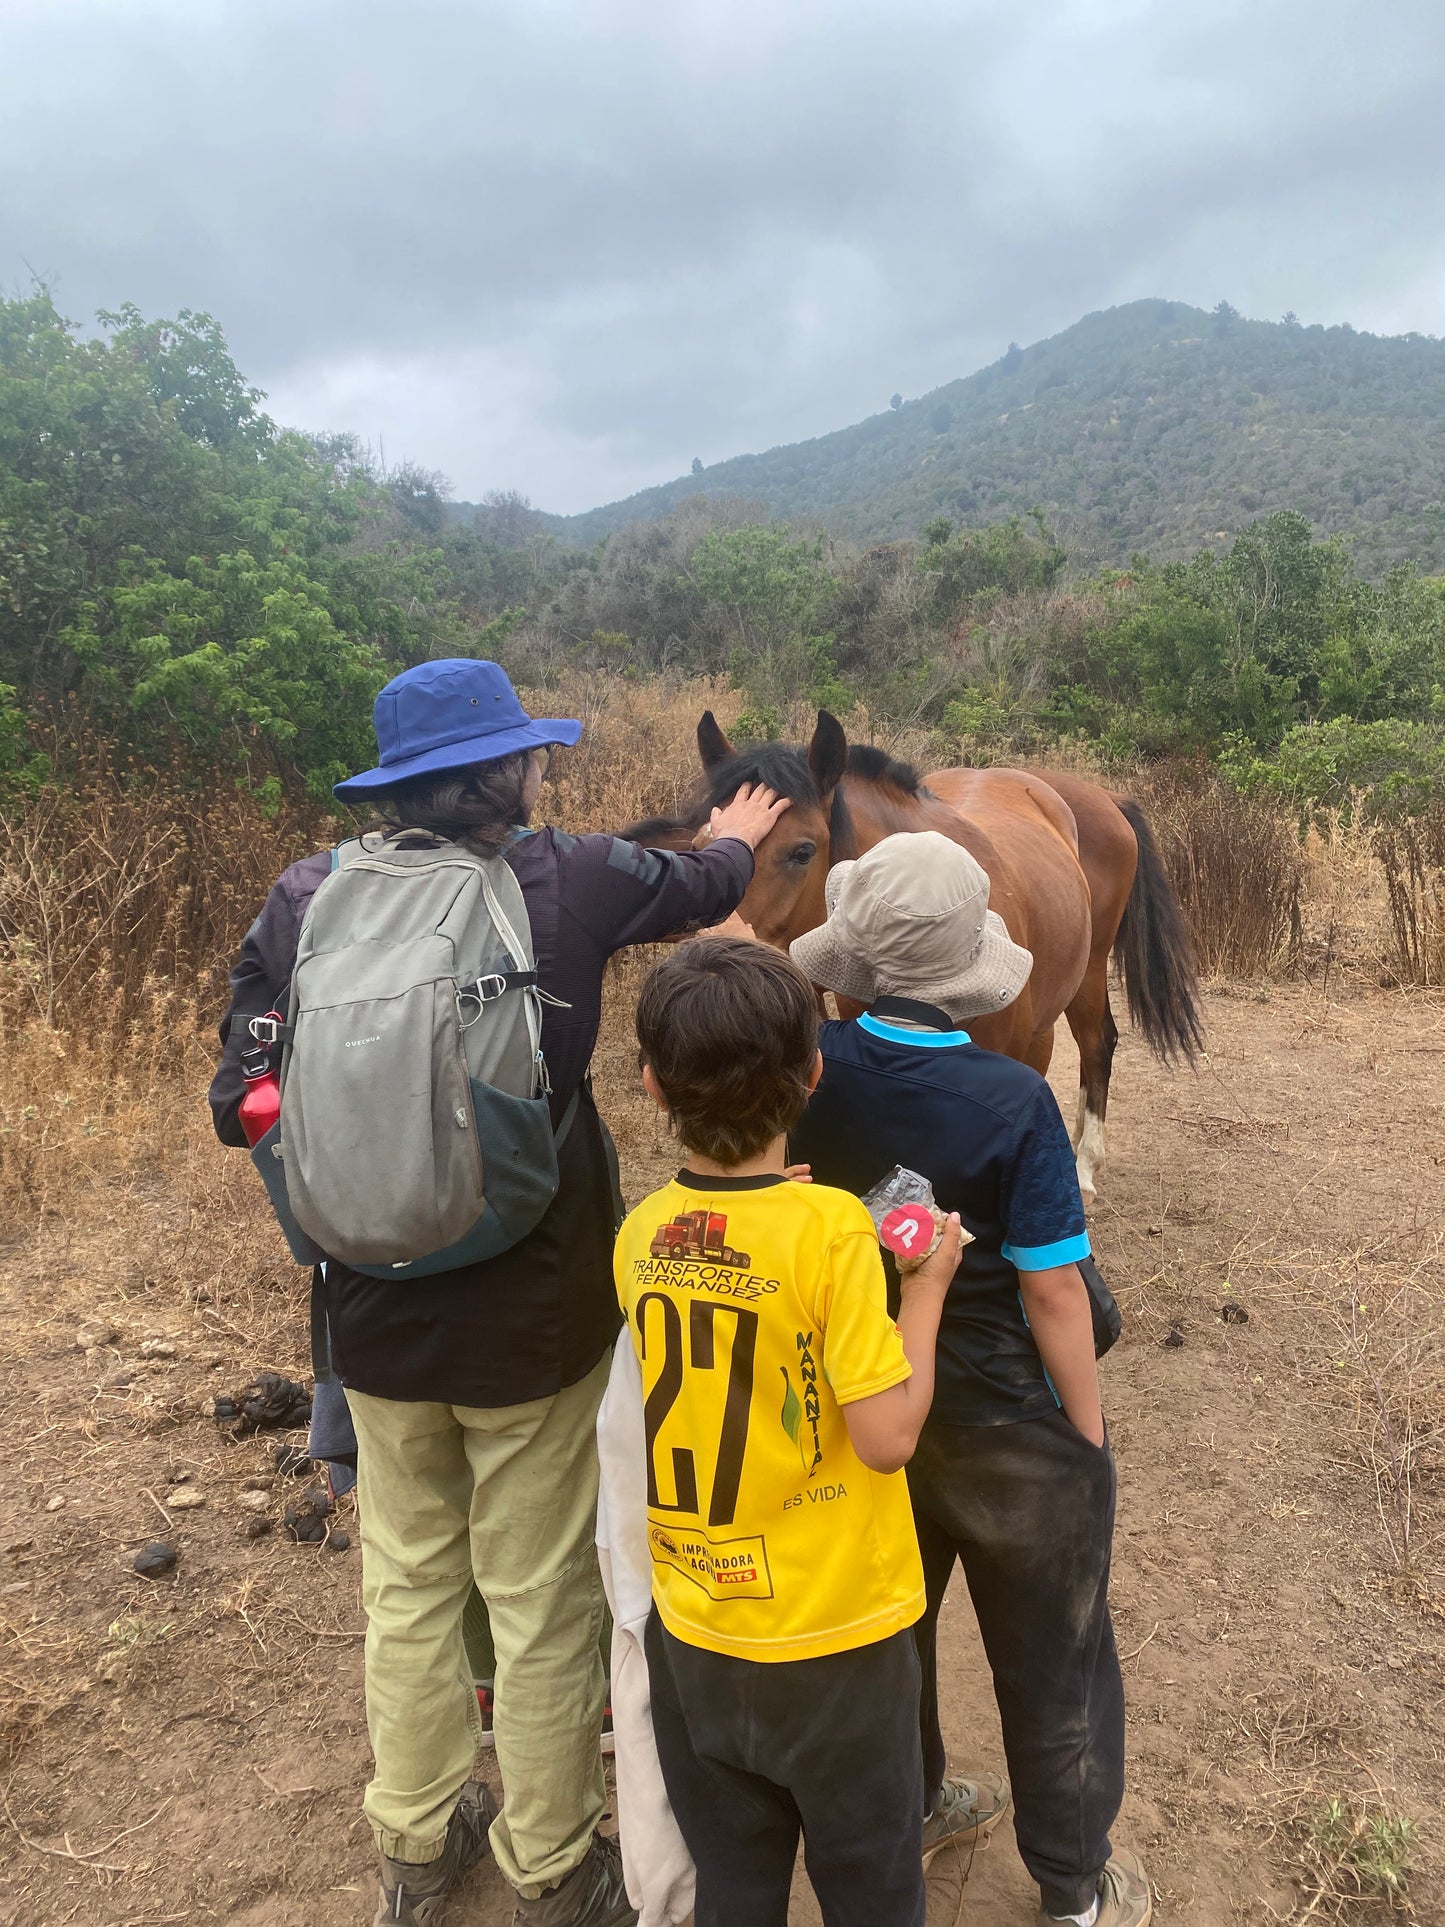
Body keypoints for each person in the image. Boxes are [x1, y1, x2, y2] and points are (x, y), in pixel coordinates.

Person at [208, 659, 790, 1927]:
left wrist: (350, 1176)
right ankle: (551, 1864)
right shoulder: (563, 878)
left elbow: (239, 1102)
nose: (543, 770)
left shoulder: (304, 897)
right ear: (500, 774)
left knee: (407, 1581)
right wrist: (737, 837)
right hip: (539, 1310)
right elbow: (703, 883)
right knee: (536, 1592)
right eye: (529, 755)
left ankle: (415, 1850)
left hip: (366, 1310)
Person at [787, 830, 1151, 1927]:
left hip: (868, 1403)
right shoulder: (1010, 1100)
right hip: (1003, 1415)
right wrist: (1082, 1438)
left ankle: (923, 1802)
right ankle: (1071, 1885)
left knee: (886, 1645)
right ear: (968, 965)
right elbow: (1052, 1291)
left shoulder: (803, 1066)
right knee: (1054, 1657)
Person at [612, 936, 965, 1927]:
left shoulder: (639, 1234)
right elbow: (888, 1434)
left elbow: (732, 1308)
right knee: (869, 1888)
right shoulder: (836, 1236)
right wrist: (923, 1290)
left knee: (734, 1883)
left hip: (696, 1633)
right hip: (835, 1647)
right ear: (811, 1072)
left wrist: (779, 1214)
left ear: (650, 1083)